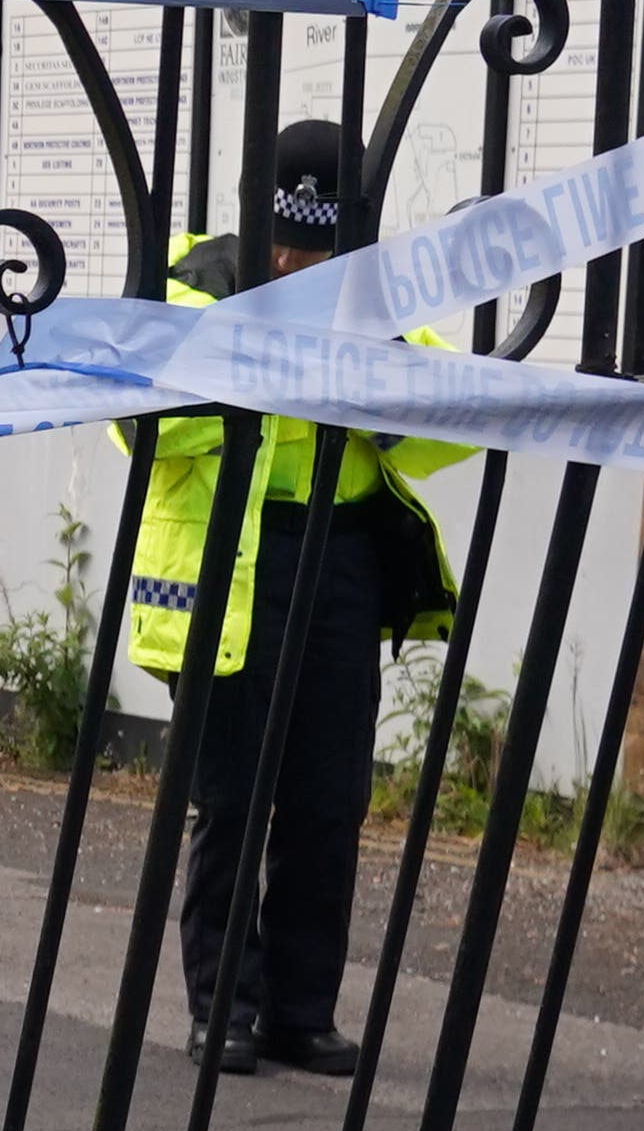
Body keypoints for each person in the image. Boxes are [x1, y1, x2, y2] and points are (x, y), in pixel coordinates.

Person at [141, 118, 469, 1077]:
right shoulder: (191, 279)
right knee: (232, 800)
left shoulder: (374, 308)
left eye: (322, 248)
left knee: (329, 801)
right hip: (230, 569)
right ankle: (224, 1010)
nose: (298, 261)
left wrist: (361, 377)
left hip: (341, 559)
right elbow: (144, 429)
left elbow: (446, 424)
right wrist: (267, 370)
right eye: (287, 240)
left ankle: (300, 1011)